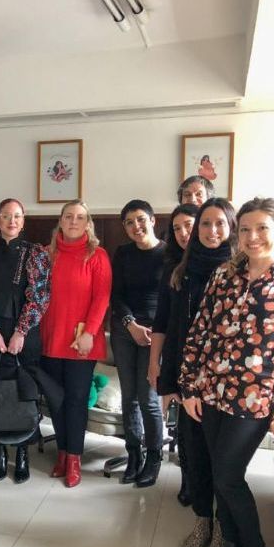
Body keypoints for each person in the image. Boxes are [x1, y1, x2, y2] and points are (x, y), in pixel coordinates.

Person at [179, 197, 274, 547]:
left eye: (261, 228)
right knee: (217, 469)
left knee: (227, 474)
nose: (252, 237)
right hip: (210, 391)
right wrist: (189, 386)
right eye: (244, 229)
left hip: (256, 397)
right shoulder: (223, 275)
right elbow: (200, 332)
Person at [159, 198, 237, 547]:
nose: (211, 232)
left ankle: (224, 526)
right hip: (190, 381)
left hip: (228, 384)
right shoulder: (181, 272)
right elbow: (173, 330)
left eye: (220, 224)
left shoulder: (242, 272)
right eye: (205, 224)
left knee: (224, 461)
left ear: (232, 228)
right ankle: (203, 519)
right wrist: (169, 382)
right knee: (194, 455)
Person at [0, 198, 50, 483]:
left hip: (25, 335)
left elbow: (40, 297)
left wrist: (21, 331)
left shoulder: (36, 254)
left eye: (17, 216)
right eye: (6, 216)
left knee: (24, 391)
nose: (12, 221)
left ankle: (22, 452)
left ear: (23, 220)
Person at [40, 200, 111, 488]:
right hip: (50, 338)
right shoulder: (47, 254)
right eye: (68, 216)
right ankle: (62, 452)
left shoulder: (97, 255)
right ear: (60, 221)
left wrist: (89, 333)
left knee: (76, 401)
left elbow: (102, 298)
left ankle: (74, 459)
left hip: (81, 341)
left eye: (79, 217)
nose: (73, 221)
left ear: (87, 223)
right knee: (56, 401)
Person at [110, 200, 166, 488]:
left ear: (153, 220)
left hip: (156, 334)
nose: (136, 226)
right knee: (128, 397)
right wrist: (130, 324)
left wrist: (153, 331)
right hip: (125, 329)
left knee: (149, 399)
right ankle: (134, 453)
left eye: (141, 219)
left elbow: (171, 299)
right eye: (129, 222)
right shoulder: (123, 253)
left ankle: (154, 456)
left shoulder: (169, 253)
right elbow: (115, 295)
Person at [148, 203, 199, 504]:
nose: (183, 233)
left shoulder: (226, 264)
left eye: (189, 225)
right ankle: (189, 482)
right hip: (179, 357)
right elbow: (162, 320)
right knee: (185, 429)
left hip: (213, 365)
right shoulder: (172, 267)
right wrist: (155, 362)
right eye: (177, 228)